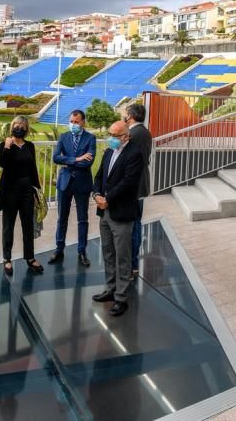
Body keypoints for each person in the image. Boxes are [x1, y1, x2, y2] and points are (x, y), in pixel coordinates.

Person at [92, 120, 143, 317]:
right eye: (110, 134)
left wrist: (107, 198)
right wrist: (96, 194)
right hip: (104, 211)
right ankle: (110, 289)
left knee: (123, 256)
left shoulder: (134, 154)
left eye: (115, 135)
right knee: (108, 252)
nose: (111, 138)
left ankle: (121, 298)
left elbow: (128, 182)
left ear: (125, 136)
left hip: (121, 212)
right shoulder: (108, 152)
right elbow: (98, 176)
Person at [49, 110, 96, 267]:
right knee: (62, 217)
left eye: (76, 122)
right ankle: (59, 248)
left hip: (82, 183)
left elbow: (87, 162)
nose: (73, 124)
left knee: (82, 219)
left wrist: (68, 161)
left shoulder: (91, 138)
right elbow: (56, 157)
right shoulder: (64, 137)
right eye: (71, 121)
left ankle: (82, 251)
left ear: (83, 122)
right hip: (65, 182)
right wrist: (77, 159)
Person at [0, 116, 44, 275]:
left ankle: (30, 257)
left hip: (26, 190)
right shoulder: (5, 144)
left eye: (23, 125)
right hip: (10, 190)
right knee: (8, 226)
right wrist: (7, 147)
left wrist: (37, 190)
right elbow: (3, 163)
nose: (19, 127)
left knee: (28, 225)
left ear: (27, 129)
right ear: (12, 126)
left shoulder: (29, 146)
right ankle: (7, 258)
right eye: (17, 124)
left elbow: (33, 169)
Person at [124, 103, 152, 279]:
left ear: (131, 116)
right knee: (136, 223)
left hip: (133, 187)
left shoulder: (132, 134)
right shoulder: (145, 132)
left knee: (133, 226)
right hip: (141, 185)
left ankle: (132, 265)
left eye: (126, 114)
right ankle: (132, 264)